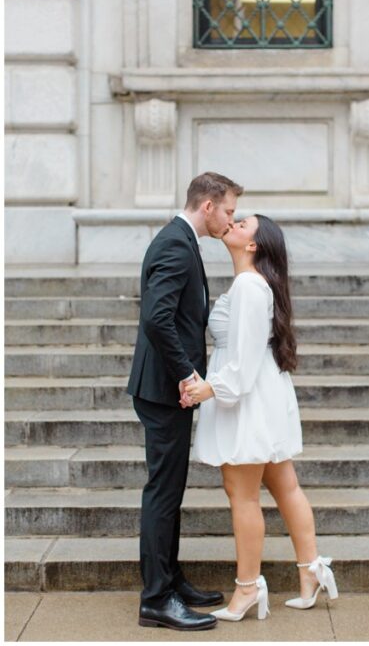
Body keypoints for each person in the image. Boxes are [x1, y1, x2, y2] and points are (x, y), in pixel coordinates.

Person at [180, 213, 338, 622]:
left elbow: (245, 353)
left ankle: (248, 587)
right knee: (284, 484)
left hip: (246, 396)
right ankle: (311, 570)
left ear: (254, 244)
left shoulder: (250, 284)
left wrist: (212, 388)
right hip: (259, 390)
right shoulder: (252, 283)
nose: (232, 223)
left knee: (242, 493)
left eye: (243, 223)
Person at [128, 171, 242, 631]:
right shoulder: (177, 243)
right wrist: (188, 374)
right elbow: (157, 318)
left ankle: (171, 580)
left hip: (163, 388)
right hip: (163, 389)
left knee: (169, 491)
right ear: (209, 205)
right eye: (229, 211)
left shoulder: (180, 239)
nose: (230, 221)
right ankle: (156, 598)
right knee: (163, 492)